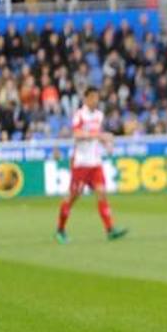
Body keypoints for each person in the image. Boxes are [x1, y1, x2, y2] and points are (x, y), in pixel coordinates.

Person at [55, 86, 127, 243]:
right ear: (86, 98)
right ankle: (60, 229)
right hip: (81, 163)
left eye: (97, 97)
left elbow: (97, 136)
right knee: (72, 197)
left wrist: (106, 146)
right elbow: (77, 135)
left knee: (102, 193)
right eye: (93, 97)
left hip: (95, 162)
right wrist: (99, 136)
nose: (96, 100)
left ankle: (110, 229)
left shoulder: (99, 115)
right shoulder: (79, 115)